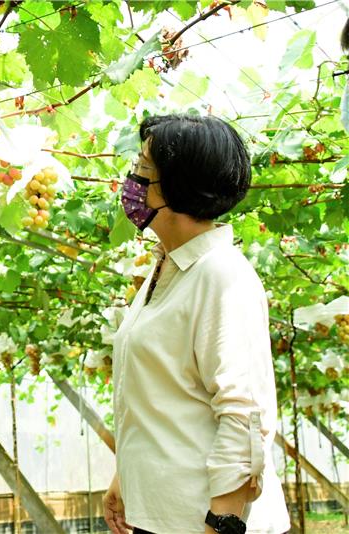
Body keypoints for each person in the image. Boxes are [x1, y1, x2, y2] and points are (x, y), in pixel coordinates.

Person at [104, 115, 290, 534]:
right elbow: (164, 397)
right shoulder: (166, 271)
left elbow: (243, 415)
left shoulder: (222, 275)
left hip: (202, 521)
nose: (130, 181)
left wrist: (221, 523)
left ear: (179, 186)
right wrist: (125, 478)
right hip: (164, 516)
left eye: (142, 170)